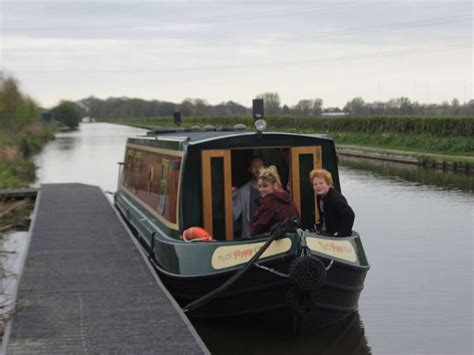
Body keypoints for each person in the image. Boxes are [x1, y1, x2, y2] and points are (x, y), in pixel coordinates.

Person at [251, 166, 300, 236]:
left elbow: (256, 228)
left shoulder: (269, 201)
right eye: (259, 186)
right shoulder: (287, 199)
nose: (261, 189)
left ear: (274, 186)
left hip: (276, 243)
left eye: (265, 186)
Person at [310, 168, 355, 237]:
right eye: (315, 184)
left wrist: (341, 233)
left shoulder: (335, 199)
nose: (318, 186)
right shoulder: (319, 196)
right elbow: (324, 214)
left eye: (321, 183)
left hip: (335, 234)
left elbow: (350, 215)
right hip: (327, 231)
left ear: (329, 184)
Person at [233, 156, 265, 238]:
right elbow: (234, 216)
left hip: (268, 238)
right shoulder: (242, 191)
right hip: (249, 239)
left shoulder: (271, 189)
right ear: (249, 169)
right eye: (254, 167)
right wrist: (231, 198)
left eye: (260, 166)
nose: (257, 169)